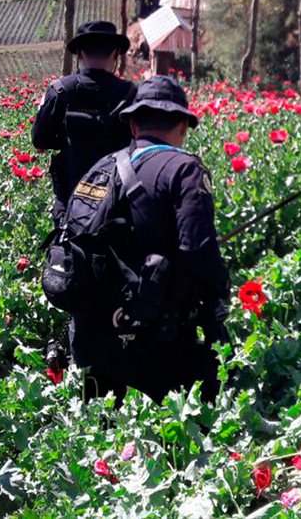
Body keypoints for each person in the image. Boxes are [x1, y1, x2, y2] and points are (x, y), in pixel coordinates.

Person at [66, 76, 228, 403]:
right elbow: (198, 252)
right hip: (151, 344)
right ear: (183, 125)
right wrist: (220, 295)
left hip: (90, 333)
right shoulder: (184, 169)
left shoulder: (100, 168)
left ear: (133, 124)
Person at [32, 21, 136, 222]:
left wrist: (67, 138)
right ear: (115, 54)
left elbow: (39, 140)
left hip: (71, 204)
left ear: (79, 54)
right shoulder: (131, 95)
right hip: (116, 205)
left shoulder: (60, 91)